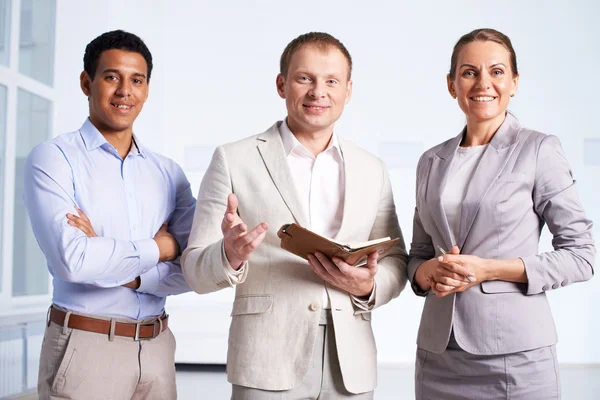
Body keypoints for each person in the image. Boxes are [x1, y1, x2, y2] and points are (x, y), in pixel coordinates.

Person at [181, 32, 408, 399]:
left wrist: (367, 286)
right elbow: (193, 270)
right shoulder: (234, 159)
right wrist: (230, 255)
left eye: (331, 81)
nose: (319, 92)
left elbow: (396, 259)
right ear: (281, 84)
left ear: (348, 90)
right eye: (305, 78)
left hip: (349, 364)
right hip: (266, 359)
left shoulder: (372, 168)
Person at [408, 28, 595, 400]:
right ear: (451, 84)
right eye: (468, 72)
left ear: (514, 82)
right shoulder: (431, 160)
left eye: (496, 71)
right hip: (439, 355)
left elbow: (581, 256)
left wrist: (489, 269)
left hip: (516, 359)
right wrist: (427, 273)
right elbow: (418, 255)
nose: (483, 83)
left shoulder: (539, 150)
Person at [24, 30, 196, 400]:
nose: (125, 91)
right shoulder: (54, 159)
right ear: (87, 82)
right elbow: (75, 262)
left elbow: (192, 269)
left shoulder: (169, 174)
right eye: (111, 77)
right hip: (86, 346)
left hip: (158, 348)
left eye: (137, 80)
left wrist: (121, 267)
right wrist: (160, 247)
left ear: (147, 89)